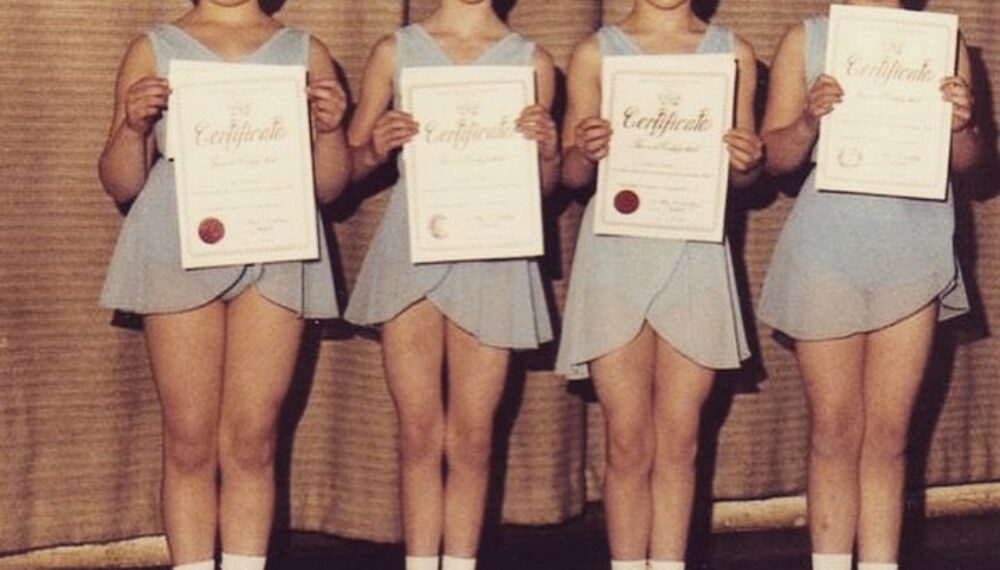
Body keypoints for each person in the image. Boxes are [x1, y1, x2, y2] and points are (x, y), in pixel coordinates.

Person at [97, 1, 350, 568]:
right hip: (177, 250)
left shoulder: (305, 51)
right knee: (189, 439)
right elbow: (120, 183)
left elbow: (330, 188)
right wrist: (134, 128)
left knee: (254, 439)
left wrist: (332, 132)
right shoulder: (152, 47)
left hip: (277, 246)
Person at [757, 1, 981, 569]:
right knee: (833, 429)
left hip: (914, 251)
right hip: (825, 252)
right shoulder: (804, 39)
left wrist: (962, 125)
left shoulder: (941, 41)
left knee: (889, 434)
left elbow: (970, 161)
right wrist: (808, 122)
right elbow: (775, 158)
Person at [342, 1, 559, 569]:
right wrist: (375, 148)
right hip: (412, 251)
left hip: (494, 255)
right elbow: (349, 163)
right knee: (418, 432)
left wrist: (547, 150)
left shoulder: (532, 62)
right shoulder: (394, 51)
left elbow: (544, 186)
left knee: (473, 436)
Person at [554, 1, 763, 569]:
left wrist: (747, 161)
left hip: (695, 255)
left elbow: (745, 176)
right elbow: (571, 174)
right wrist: (585, 151)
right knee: (626, 440)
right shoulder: (595, 52)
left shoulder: (733, 53)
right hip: (615, 259)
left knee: (680, 440)